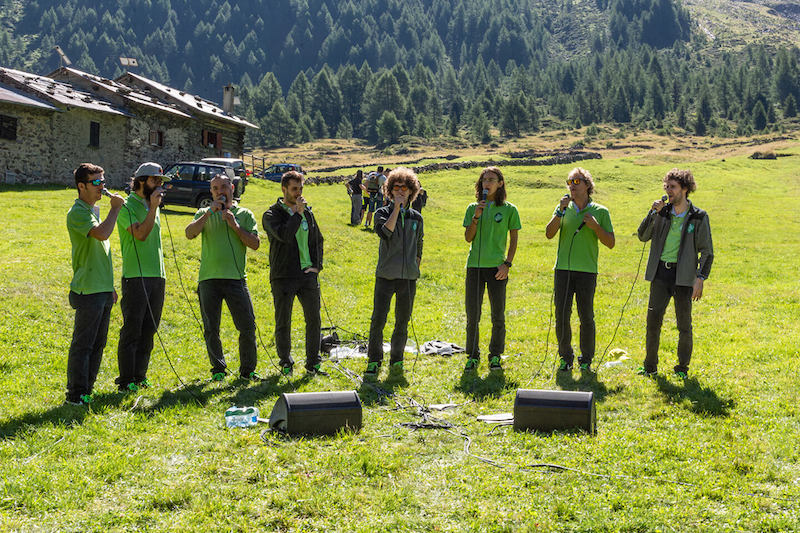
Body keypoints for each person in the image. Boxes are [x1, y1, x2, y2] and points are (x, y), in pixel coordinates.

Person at [637, 168, 713, 379]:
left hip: (684, 278)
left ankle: (682, 370)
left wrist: (700, 278)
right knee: (653, 323)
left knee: (684, 326)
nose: (668, 191)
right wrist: (653, 212)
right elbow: (642, 236)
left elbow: (707, 251)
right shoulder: (662, 212)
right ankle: (650, 367)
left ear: (685, 189)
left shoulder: (698, 216)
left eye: (673, 187)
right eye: (666, 187)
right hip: (660, 274)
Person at [185, 174, 261, 382]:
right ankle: (218, 368)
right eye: (215, 188)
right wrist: (210, 212)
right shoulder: (204, 212)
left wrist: (234, 225)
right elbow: (189, 233)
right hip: (208, 280)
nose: (220, 191)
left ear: (232, 188)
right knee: (211, 328)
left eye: (224, 187)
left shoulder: (244, 214)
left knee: (247, 326)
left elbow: (255, 244)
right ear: (211, 192)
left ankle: (247, 370)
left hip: (236, 279)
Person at [65, 163, 125, 406]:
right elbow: (102, 235)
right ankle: (75, 393)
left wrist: (109, 286)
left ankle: (87, 389)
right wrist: (115, 210)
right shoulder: (77, 212)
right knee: (83, 344)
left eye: (104, 181)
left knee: (98, 344)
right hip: (87, 289)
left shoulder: (93, 211)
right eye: (97, 182)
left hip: (101, 289)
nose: (103, 187)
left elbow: (101, 252)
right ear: (81, 186)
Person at [545, 168, 615, 372]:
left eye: (577, 181)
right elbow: (549, 234)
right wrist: (559, 211)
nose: (572, 186)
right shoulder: (562, 209)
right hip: (563, 270)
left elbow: (610, 242)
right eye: (569, 182)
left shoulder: (600, 211)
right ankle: (565, 357)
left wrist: (595, 227)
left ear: (587, 185)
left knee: (586, 317)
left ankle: (586, 359)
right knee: (561, 316)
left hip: (587, 271)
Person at [262, 171, 327, 377]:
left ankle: (313, 364)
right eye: (294, 189)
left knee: (314, 320)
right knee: (284, 321)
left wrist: (317, 266)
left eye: (301, 189)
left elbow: (317, 240)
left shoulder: (308, 213)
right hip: (283, 276)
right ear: (284, 189)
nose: (298, 193)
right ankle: (286, 362)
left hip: (307, 275)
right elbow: (284, 235)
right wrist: (297, 214)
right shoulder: (272, 214)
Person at [364, 168, 424, 379]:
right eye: (396, 187)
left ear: (411, 191)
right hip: (385, 276)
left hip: (408, 278)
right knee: (378, 320)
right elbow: (385, 233)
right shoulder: (382, 213)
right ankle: (374, 360)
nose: (400, 190)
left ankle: (397, 359)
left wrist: (416, 263)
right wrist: (396, 209)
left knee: (402, 321)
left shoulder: (417, 217)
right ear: (389, 191)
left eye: (404, 187)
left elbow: (419, 243)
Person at [463, 167, 521, 372]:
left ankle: (495, 355)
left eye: (491, 179)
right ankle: (472, 355)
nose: (486, 183)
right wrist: (476, 217)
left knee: (498, 315)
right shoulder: (473, 207)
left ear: (500, 183)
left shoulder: (509, 209)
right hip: (475, 268)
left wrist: (507, 264)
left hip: (497, 269)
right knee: (473, 315)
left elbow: (514, 239)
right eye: (484, 180)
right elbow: (468, 238)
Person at [115, 162, 167, 392]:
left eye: (161, 181)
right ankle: (125, 380)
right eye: (155, 180)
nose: (159, 185)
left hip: (157, 275)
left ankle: (140, 376)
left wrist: (153, 207)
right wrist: (153, 209)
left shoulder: (150, 205)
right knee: (133, 329)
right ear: (141, 181)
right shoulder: (127, 207)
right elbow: (140, 235)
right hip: (136, 276)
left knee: (149, 329)